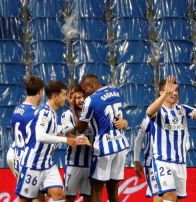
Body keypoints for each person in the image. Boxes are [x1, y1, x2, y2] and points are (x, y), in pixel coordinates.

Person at [146, 75, 196, 201]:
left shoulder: (183, 110)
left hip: (180, 163)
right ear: (162, 92)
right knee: (169, 196)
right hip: (163, 161)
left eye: (176, 90)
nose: (174, 93)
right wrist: (164, 95)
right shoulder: (159, 110)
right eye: (170, 89)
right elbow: (149, 112)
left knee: (170, 199)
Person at [15, 80, 89, 202]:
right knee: (24, 200)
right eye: (64, 94)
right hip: (33, 164)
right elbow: (40, 136)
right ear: (55, 96)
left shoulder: (52, 113)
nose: (66, 98)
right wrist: (66, 140)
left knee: (59, 195)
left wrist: (74, 138)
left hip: (47, 164)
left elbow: (51, 134)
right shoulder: (45, 111)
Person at [71, 74, 129, 202]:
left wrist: (73, 109)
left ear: (91, 85)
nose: (84, 96)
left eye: (85, 91)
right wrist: (125, 123)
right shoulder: (115, 91)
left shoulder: (91, 100)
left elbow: (80, 128)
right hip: (120, 145)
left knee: (96, 189)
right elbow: (120, 119)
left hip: (104, 148)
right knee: (113, 189)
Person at [61, 85, 92, 202]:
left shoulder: (90, 115)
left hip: (90, 165)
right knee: (69, 198)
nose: (82, 100)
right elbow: (69, 135)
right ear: (70, 99)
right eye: (77, 98)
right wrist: (82, 139)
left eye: (83, 97)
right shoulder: (66, 114)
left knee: (89, 198)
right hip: (73, 165)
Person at [133, 116, 159, 201]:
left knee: (173, 196)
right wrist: (136, 160)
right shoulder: (151, 116)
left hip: (172, 163)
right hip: (152, 162)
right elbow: (139, 138)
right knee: (158, 196)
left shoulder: (177, 116)